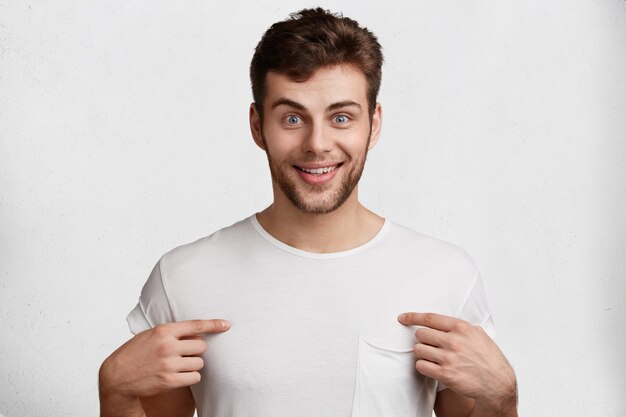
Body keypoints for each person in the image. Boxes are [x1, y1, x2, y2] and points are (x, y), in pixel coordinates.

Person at [98, 8, 518, 417]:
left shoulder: (444, 275)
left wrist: (503, 399)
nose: (317, 144)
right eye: (293, 117)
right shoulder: (184, 277)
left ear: (373, 124)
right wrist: (114, 392)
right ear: (258, 125)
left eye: (340, 117)